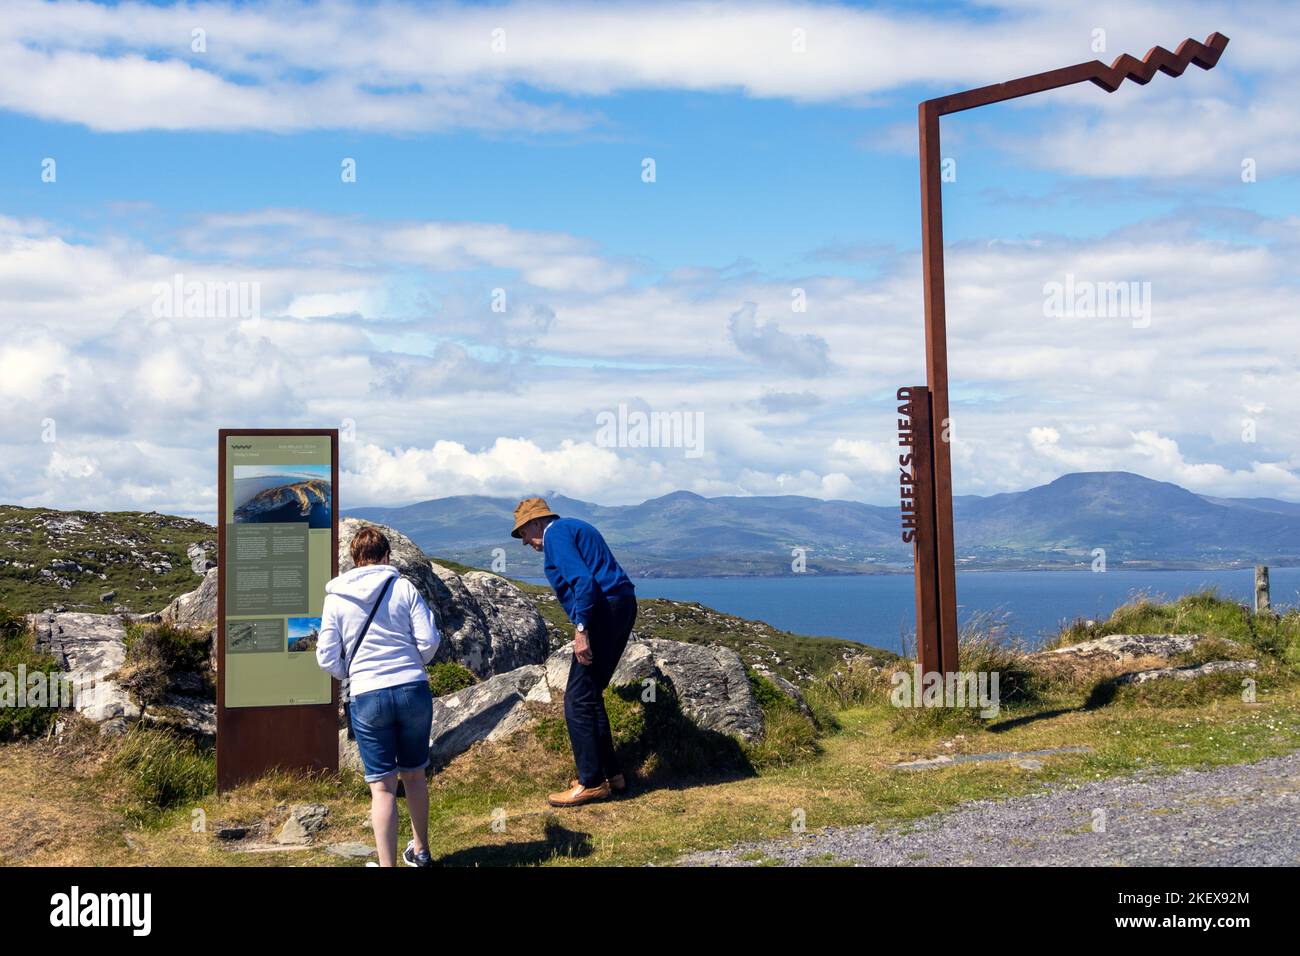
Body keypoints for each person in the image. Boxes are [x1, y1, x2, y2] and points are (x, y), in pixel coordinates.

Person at [316, 526, 440, 866]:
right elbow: (428, 640)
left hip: (367, 695)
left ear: (355, 560)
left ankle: (387, 865)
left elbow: (326, 656)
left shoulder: (336, 598)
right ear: (386, 556)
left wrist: (352, 674)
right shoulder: (402, 587)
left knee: (382, 788)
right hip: (412, 689)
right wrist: (412, 663)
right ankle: (421, 852)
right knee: (414, 774)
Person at [512, 497, 637, 807]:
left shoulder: (555, 534)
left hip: (602, 610)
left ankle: (591, 782)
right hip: (622, 604)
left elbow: (583, 581)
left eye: (524, 533)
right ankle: (612, 775)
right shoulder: (574, 527)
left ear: (536, 522)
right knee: (590, 693)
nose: (525, 542)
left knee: (576, 698)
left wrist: (581, 629)